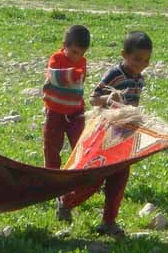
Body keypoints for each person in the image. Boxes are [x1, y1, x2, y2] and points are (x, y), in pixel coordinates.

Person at [57, 31, 153, 238]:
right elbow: (93, 98)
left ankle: (108, 221)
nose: (141, 64)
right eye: (137, 59)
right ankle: (66, 202)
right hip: (107, 134)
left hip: (125, 135)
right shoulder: (116, 74)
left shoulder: (139, 78)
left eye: (146, 60)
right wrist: (110, 98)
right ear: (124, 55)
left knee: (120, 178)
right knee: (96, 178)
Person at [43, 25, 91, 170]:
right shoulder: (57, 58)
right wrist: (73, 74)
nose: (77, 57)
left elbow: (80, 81)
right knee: (52, 144)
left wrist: (76, 74)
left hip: (75, 110)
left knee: (80, 142)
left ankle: (81, 169)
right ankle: (52, 173)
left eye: (81, 53)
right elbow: (54, 76)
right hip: (55, 110)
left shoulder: (82, 62)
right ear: (65, 46)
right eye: (74, 52)